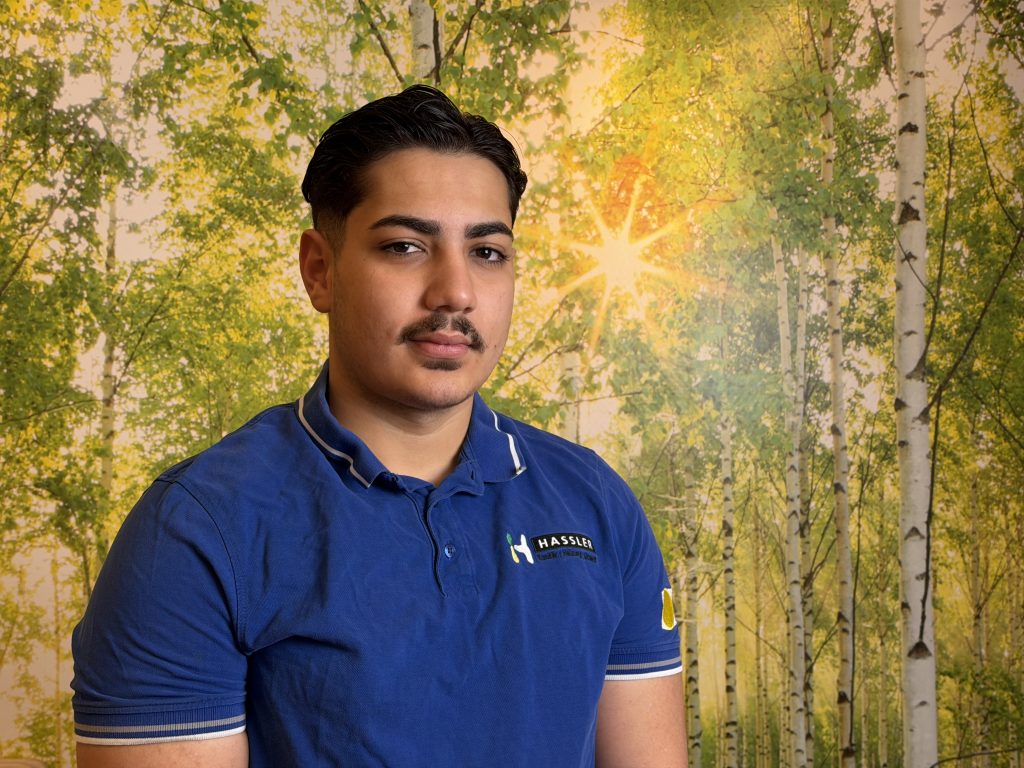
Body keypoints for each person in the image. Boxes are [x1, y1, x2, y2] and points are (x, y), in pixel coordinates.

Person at [71, 85, 686, 767]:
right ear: (320, 271)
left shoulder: (596, 504)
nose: (455, 292)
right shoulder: (196, 530)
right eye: (404, 246)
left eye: (487, 252)